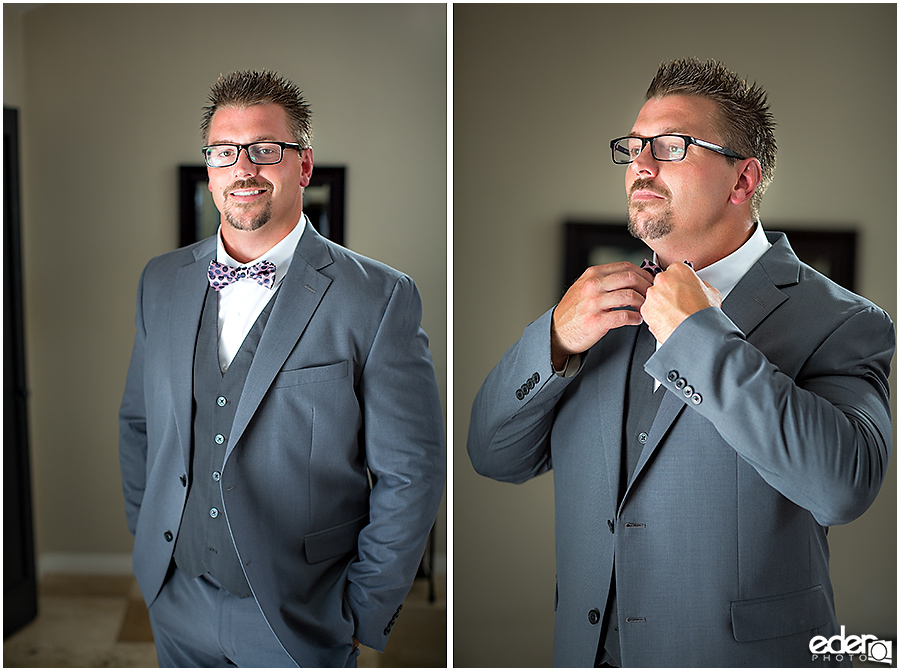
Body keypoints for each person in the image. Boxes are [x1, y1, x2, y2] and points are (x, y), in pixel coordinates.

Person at [467, 58, 893, 667]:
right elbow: (492, 454)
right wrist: (554, 338)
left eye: (670, 147)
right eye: (634, 147)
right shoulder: (592, 314)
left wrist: (698, 334)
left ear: (742, 180)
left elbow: (843, 486)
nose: (640, 165)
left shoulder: (844, 323)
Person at [119, 69, 445, 667]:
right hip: (176, 602)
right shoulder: (159, 281)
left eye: (265, 150)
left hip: (300, 616)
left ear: (304, 164)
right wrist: (151, 554)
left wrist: (366, 614)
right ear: (210, 167)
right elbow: (139, 425)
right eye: (225, 152)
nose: (244, 168)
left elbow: (413, 474)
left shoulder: (378, 297)